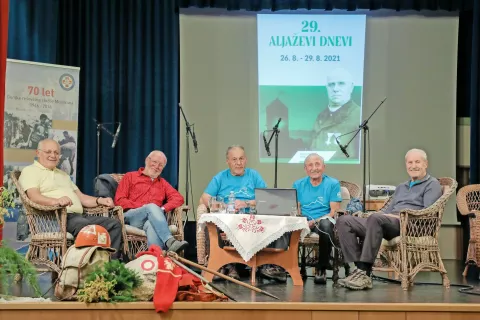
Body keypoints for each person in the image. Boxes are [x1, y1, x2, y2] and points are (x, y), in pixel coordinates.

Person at [336, 148, 443, 290]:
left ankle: (364, 271)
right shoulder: (401, 187)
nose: (413, 166)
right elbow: (386, 211)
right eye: (410, 162)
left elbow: (426, 213)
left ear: (425, 164)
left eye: (417, 162)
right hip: (387, 223)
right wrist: (366, 215)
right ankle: (360, 270)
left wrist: (392, 216)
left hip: (411, 225)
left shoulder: (432, 184)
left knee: (376, 219)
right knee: (344, 221)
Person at [18, 139, 124, 259]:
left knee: (114, 224)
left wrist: (99, 200)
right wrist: (56, 201)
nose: (53, 155)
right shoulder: (30, 171)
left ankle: (108, 266)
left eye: (56, 153)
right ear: (38, 153)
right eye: (48, 152)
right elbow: (34, 197)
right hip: (53, 217)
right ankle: (83, 267)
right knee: (85, 227)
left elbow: (82, 198)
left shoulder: (63, 174)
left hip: (78, 216)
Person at [199, 145, 268, 280]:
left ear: (246, 160)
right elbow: (204, 198)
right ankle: (227, 265)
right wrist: (222, 206)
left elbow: (266, 197)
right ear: (228, 162)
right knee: (219, 222)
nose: (238, 163)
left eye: (241, 159)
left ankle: (264, 265)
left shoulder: (253, 175)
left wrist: (246, 203)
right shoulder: (220, 177)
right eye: (234, 159)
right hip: (227, 217)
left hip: (250, 216)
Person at [114, 150, 188, 253]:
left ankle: (155, 259)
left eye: (161, 165)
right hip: (132, 217)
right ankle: (169, 240)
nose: (157, 166)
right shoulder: (130, 176)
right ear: (147, 161)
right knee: (151, 207)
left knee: (150, 224)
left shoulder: (162, 183)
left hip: (152, 220)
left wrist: (161, 209)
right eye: (155, 162)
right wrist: (145, 207)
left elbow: (178, 198)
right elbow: (119, 200)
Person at [293, 153, 342, 284]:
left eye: (317, 164)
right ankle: (291, 267)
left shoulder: (332, 183)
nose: (314, 168)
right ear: (305, 169)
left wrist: (314, 221)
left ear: (323, 167)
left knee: (326, 226)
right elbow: (295, 209)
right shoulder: (298, 184)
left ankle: (321, 268)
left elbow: (333, 211)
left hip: (323, 220)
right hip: (304, 220)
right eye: (310, 165)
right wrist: (302, 221)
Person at [310, 68, 361, 159]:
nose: (335, 89)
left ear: (351, 87)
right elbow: (313, 147)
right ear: (326, 87)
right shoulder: (321, 117)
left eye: (341, 83)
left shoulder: (359, 115)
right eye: (331, 84)